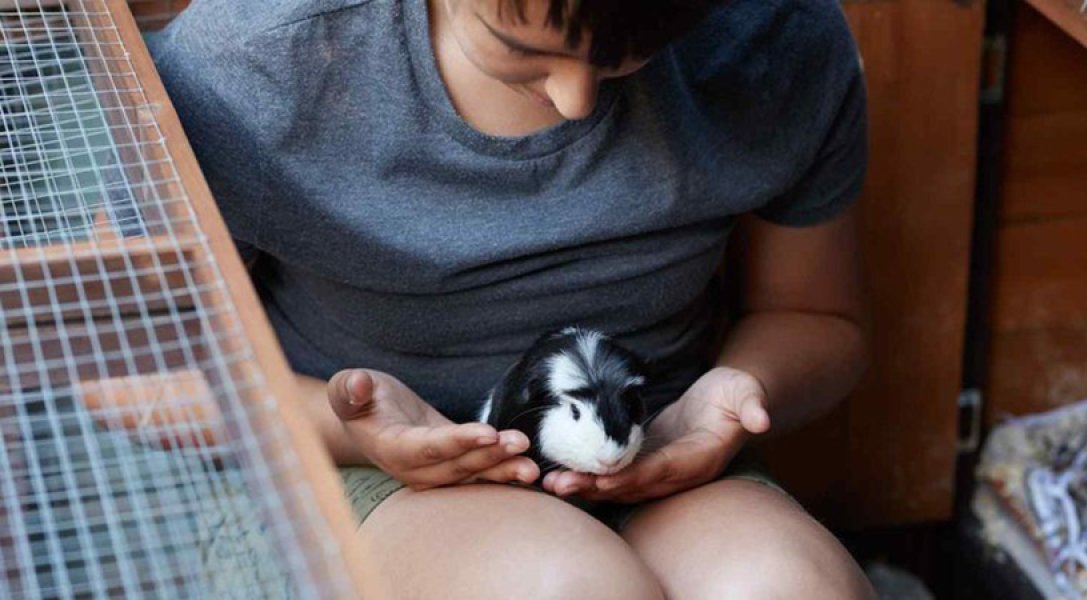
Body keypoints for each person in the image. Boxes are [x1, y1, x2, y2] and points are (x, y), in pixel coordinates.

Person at [150, 0, 875, 597]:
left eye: (628, 55)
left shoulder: (774, 30)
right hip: (342, 468)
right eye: (516, 48)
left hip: (658, 452)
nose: (576, 99)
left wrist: (737, 393)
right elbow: (124, 369)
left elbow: (816, 318)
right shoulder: (255, 60)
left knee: (787, 589)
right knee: (566, 589)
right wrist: (350, 426)